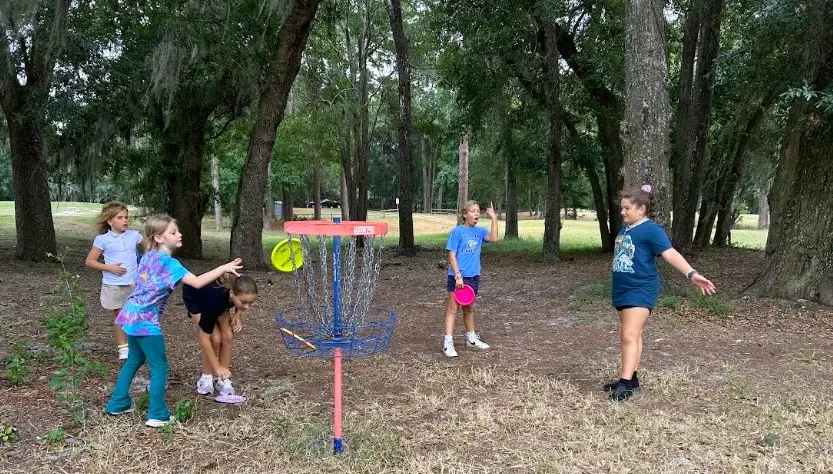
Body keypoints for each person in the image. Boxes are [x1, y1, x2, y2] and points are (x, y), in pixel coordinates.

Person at [104, 214, 243, 427]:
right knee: (160, 367)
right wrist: (223, 268)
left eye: (177, 231)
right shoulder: (170, 264)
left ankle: (118, 402)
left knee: (134, 360)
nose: (180, 234)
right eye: (173, 232)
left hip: (130, 315)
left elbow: (135, 282)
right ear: (159, 238)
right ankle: (157, 414)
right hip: (145, 322)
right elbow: (196, 283)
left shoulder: (149, 255)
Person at [607, 184, 717, 402]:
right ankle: (632, 378)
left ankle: (626, 383)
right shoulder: (627, 228)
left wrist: (691, 273)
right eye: (621, 208)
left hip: (641, 288)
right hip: (622, 289)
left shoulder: (651, 230)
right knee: (633, 335)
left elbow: (670, 253)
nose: (622, 212)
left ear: (641, 209)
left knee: (628, 335)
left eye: (626, 208)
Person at [85, 202, 144, 361]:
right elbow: (90, 261)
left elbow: (151, 250)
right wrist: (109, 268)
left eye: (126, 217)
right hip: (113, 284)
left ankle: (138, 345)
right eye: (120, 217)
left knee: (135, 315)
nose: (125, 220)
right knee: (119, 316)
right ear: (110, 221)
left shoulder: (134, 236)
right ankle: (123, 347)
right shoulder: (102, 239)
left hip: (134, 284)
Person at [183, 274, 258, 396]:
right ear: (232, 293)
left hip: (217, 299)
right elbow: (204, 338)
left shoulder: (238, 288)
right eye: (244, 302)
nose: (247, 307)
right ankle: (206, 378)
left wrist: (239, 313)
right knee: (215, 338)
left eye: (251, 303)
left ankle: (222, 379)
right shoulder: (213, 303)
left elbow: (243, 300)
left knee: (228, 335)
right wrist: (217, 367)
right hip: (196, 297)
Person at [442, 200, 499, 357]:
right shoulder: (457, 232)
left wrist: (494, 218)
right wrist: (458, 274)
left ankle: (471, 339)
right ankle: (448, 344)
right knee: (453, 310)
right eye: (473, 211)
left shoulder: (480, 231)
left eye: (478, 212)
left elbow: (493, 238)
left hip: (474, 277)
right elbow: (451, 254)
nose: (476, 214)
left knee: (469, 308)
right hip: (457, 278)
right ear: (465, 214)